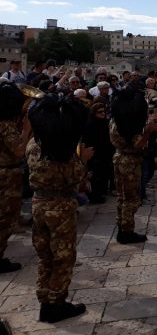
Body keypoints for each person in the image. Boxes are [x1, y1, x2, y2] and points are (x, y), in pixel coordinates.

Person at [27, 95, 93, 323]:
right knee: (63, 257)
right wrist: (83, 160)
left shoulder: (34, 145)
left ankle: (45, 300)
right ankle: (57, 303)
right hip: (60, 206)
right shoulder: (64, 155)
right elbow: (76, 180)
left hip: (38, 203)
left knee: (45, 256)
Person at [110, 87, 157, 244]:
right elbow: (138, 145)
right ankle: (127, 231)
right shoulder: (127, 127)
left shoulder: (114, 121)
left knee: (121, 197)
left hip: (119, 158)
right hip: (130, 162)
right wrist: (148, 132)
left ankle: (121, 226)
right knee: (131, 198)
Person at [0, 82, 31, 273]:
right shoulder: (5, 125)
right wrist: (27, 130)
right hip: (6, 174)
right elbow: (19, 151)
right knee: (5, 218)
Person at [83, 103, 115, 204]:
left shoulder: (105, 123)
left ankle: (101, 192)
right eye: (100, 112)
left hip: (105, 152)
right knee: (95, 175)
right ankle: (94, 196)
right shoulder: (90, 124)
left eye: (104, 112)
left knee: (103, 173)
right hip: (95, 153)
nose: (103, 114)